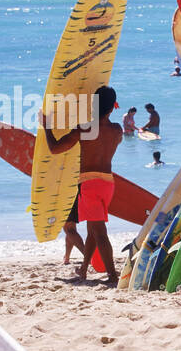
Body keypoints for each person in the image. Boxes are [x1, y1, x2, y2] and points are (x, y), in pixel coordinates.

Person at [40, 85, 123, 283]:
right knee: (93, 230)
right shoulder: (117, 130)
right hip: (108, 183)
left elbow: (55, 149)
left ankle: (112, 275)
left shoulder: (84, 129)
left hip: (90, 184)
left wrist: (47, 126)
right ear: (113, 107)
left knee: (99, 232)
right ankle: (84, 269)